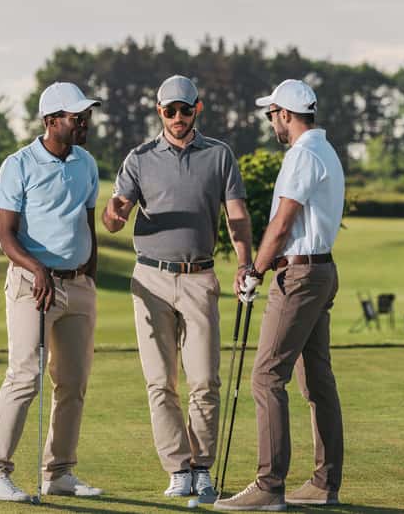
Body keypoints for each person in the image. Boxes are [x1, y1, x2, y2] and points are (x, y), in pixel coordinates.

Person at [102, 75, 254, 503]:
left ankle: (202, 468)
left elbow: (237, 216)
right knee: (160, 382)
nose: (177, 117)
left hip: (200, 277)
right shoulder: (140, 158)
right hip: (149, 278)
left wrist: (245, 262)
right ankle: (177, 468)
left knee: (205, 380)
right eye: (169, 110)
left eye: (185, 109)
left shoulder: (219, 155)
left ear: (197, 109)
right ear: (159, 112)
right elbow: (116, 217)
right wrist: (112, 215)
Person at [215, 79, 345, 512]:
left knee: (267, 376)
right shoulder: (325, 151)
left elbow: (283, 223)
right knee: (316, 380)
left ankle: (269, 486)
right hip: (321, 270)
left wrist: (254, 270)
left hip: (301, 276)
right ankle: (324, 483)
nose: (271, 120)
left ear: (285, 114)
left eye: (272, 113)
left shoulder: (302, 155)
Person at [0, 82, 104, 502]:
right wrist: (37, 269)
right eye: (76, 116)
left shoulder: (86, 163)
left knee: (73, 383)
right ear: (51, 121)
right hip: (34, 286)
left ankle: (59, 474)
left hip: (78, 287)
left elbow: (87, 221)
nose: (84, 122)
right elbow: (5, 236)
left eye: (86, 115)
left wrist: (90, 274)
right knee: (24, 376)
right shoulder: (18, 165)